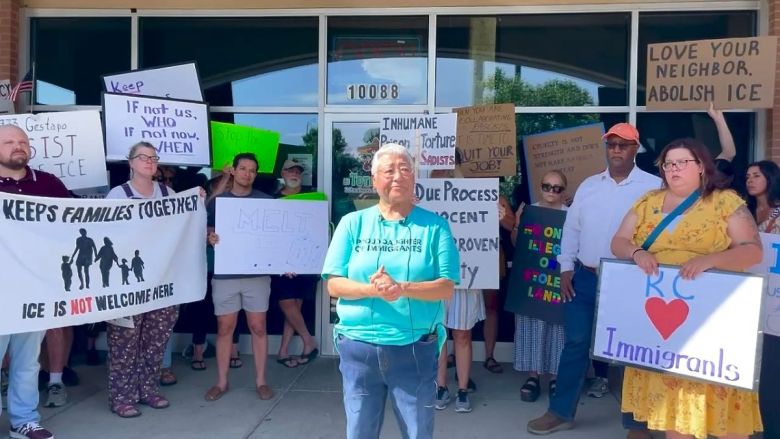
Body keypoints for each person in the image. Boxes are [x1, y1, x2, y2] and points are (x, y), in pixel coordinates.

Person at [611, 138, 763, 439]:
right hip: (659, 330)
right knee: (673, 408)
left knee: (720, 403)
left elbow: (753, 250)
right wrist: (637, 253)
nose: (674, 169)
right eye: (668, 164)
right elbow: (618, 241)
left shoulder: (724, 202)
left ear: (701, 167)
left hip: (712, 324)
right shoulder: (648, 202)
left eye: (682, 162)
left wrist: (711, 259)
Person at [528, 122, 661, 437]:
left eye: (623, 145)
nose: (616, 150)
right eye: (612, 144)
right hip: (585, 278)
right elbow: (571, 230)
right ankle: (560, 412)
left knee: (633, 351)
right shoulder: (588, 185)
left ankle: (636, 423)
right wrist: (564, 268)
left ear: (635, 149)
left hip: (630, 280)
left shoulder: (654, 187)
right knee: (575, 343)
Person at [321, 143, 459, 439]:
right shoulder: (352, 224)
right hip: (359, 349)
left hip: (414, 349)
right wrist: (373, 289)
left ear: (414, 178)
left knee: (417, 431)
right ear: (374, 180)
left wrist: (402, 288)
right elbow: (333, 284)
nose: (398, 176)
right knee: (359, 431)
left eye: (405, 169)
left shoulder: (435, 227)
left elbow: (447, 287)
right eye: (389, 170)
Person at [104, 141, 180, 418]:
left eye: (153, 157)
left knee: (155, 341)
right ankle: (121, 397)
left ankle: (147, 389)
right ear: (131, 163)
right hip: (127, 283)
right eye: (143, 157)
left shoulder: (168, 194)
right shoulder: (118, 195)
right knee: (124, 343)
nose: (149, 161)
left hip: (161, 283)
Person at [0, 124, 65, 439]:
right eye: (9, 141)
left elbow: (82, 219)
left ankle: (23, 421)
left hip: (35, 286)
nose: (18, 146)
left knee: (27, 360)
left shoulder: (49, 183)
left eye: (23, 141)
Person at [205, 153, 275, 402]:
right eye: (243, 168)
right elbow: (205, 228)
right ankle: (221, 382)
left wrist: (287, 260)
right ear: (233, 171)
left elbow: (276, 239)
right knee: (225, 328)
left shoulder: (267, 202)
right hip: (226, 274)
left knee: (258, 327)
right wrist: (209, 236)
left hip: (257, 275)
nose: (247, 173)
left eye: (252, 170)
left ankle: (261, 381)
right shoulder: (218, 201)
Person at [510, 170, 568, 402]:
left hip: (556, 282)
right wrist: (516, 224)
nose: (551, 191)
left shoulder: (571, 215)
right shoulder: (529, 211)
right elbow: (518, 245)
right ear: (540, 187)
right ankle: (533, 376)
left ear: (564, 192)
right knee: (531, 327)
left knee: (558, 328)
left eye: (557, 188)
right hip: (531, 283)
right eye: (547, 186)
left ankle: (555, 377)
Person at [744, 160, 780, 439]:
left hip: (773, 303)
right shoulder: (741, 212)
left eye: (756, 175)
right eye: (747, 176)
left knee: (770, 369)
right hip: (745, 300)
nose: (750, 180)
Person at [272, 159, 319, 368]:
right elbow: (269, 234)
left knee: (295, 307)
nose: (294, 174)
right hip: (282, 263)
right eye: (290, 170)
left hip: (305, 260)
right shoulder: (273, 200)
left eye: (298, 171)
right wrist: (281, 261)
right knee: (287, 303)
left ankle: (283, 350)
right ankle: (309, 341)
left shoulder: (314, 199)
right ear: (282, 173)